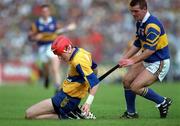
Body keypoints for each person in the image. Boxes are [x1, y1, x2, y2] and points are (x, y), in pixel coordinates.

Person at [118, 0, 172, 119]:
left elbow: (150, 50)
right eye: (131, 11)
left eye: (136, 11)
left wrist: (132, 61)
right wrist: (125, 58)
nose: (133, 14)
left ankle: (162, 101)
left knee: (135, 87)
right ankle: (131, 113)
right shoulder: (140, 22)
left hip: (159, 62)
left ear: (144, 9)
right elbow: (138, 43)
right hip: (147, 60)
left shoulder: (152, 25)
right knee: (127, 80)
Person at [25, 35, 99, 119]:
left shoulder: (78, 61)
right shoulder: (81, 52)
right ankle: (73, 113)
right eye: (57, 55)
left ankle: (69, 116)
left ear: (68, 48)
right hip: (65, 96)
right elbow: (95, 67)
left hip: (66, 99)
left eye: (60, 54)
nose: (59, 58)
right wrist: (89, 83)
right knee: (31, 114)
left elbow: (95, 83)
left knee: (29, 114)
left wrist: (88, 103)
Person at [28, 4, 61, 91]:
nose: (45, 13)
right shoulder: (36, 24)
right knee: (46, 68)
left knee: (55, 68)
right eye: (43, 11)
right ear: (41, 13)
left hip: (52, 46)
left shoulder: (54, 22)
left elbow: (59, 33)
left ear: (49, 12)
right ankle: (46, 77)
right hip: (42, 47)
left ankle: (57, 87)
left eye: (46, 11)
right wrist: (35, 37)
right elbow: (30, 37)